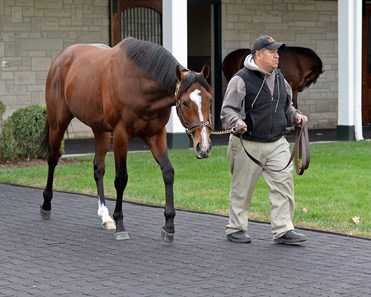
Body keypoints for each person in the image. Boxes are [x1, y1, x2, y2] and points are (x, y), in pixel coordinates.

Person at [221, 35, 308, 244]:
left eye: (277, 52)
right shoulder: (240, 79)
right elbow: (227, 111)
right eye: (272, 52)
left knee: (283, 186)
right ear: (258, 54)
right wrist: (237, 123)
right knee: (242, 188)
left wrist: (296, 116)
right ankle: (236, 228)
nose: (277, 56)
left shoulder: (281, 79)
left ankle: (283, 229)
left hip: (277, 142)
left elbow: (287, 107)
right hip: (247, 143)